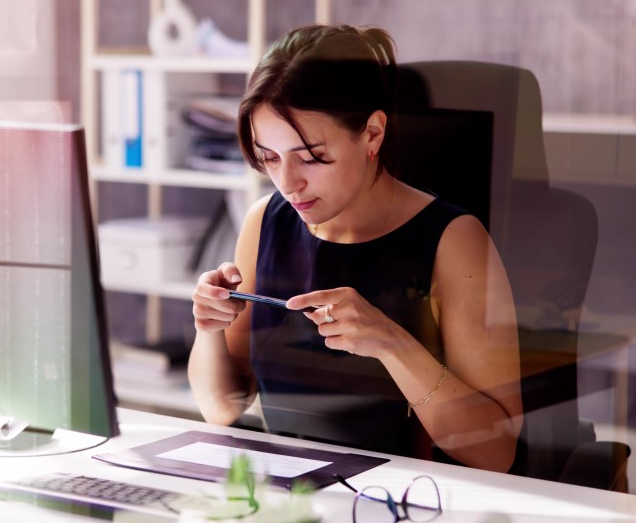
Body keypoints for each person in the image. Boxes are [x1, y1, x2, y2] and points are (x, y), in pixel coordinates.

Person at [188, 24, 523, 473]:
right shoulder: (264, 222)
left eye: (311, 157)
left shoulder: (454, 238)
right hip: (295, 493)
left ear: (372, 135)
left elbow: (494, 454)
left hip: (409, 504)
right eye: (270, 158)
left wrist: (392, 344)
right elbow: (222, 408)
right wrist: (207, 329)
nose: (288, 183)